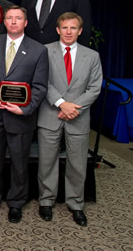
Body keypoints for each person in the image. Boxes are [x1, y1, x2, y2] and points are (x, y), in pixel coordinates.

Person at [0, 6, 49, 224]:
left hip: (20, 116)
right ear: (4, 22)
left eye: (18, 18)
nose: (14, 22)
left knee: (19, 162)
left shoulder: (38, 50)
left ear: (25, 23)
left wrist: (25, 108)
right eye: (10, 18)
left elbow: (40, 86)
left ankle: (16, 202)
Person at [37, 12, 102, 227]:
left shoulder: (91, 56)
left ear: (80, 31)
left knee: (77, 164)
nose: (68, 32)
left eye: (73, 28)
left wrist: (74, 107)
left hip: (78, 116)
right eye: (64, 28)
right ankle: (46, 200)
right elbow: (42, 82)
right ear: (58, 29)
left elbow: (94, 88)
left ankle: (76, 204)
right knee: (47, 161)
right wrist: (61, 103)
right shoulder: (44, 51)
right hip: (50, 114)